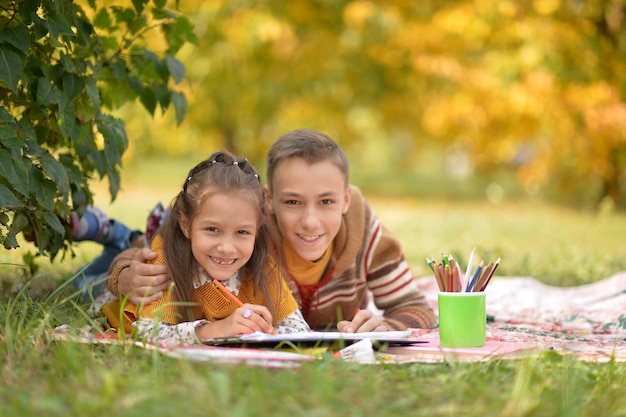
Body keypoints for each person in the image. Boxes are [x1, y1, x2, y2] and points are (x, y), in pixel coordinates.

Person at [106, 129, 437, 332]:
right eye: (292, 202)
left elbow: (416, 308)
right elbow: (158, 251)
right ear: (269, 201)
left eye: (326, 201)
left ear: (346, 199)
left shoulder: (367, 236)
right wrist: (122, 275)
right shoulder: (247, 230)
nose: (310, 221)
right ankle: (112, 232)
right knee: (137, 239)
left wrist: (385, 326)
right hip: (170, 235)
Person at [100, 151, 310, 345]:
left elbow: (300, 331)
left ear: (257, 228)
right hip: (110, 301)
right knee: (98, 273)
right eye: (212, 229)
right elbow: (148, 333)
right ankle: (114, 234)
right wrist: (218, 329)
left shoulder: (263, 266)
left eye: (242, 232)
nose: (227, 248)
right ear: (186, 224)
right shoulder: (165, 258)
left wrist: (266, 331)